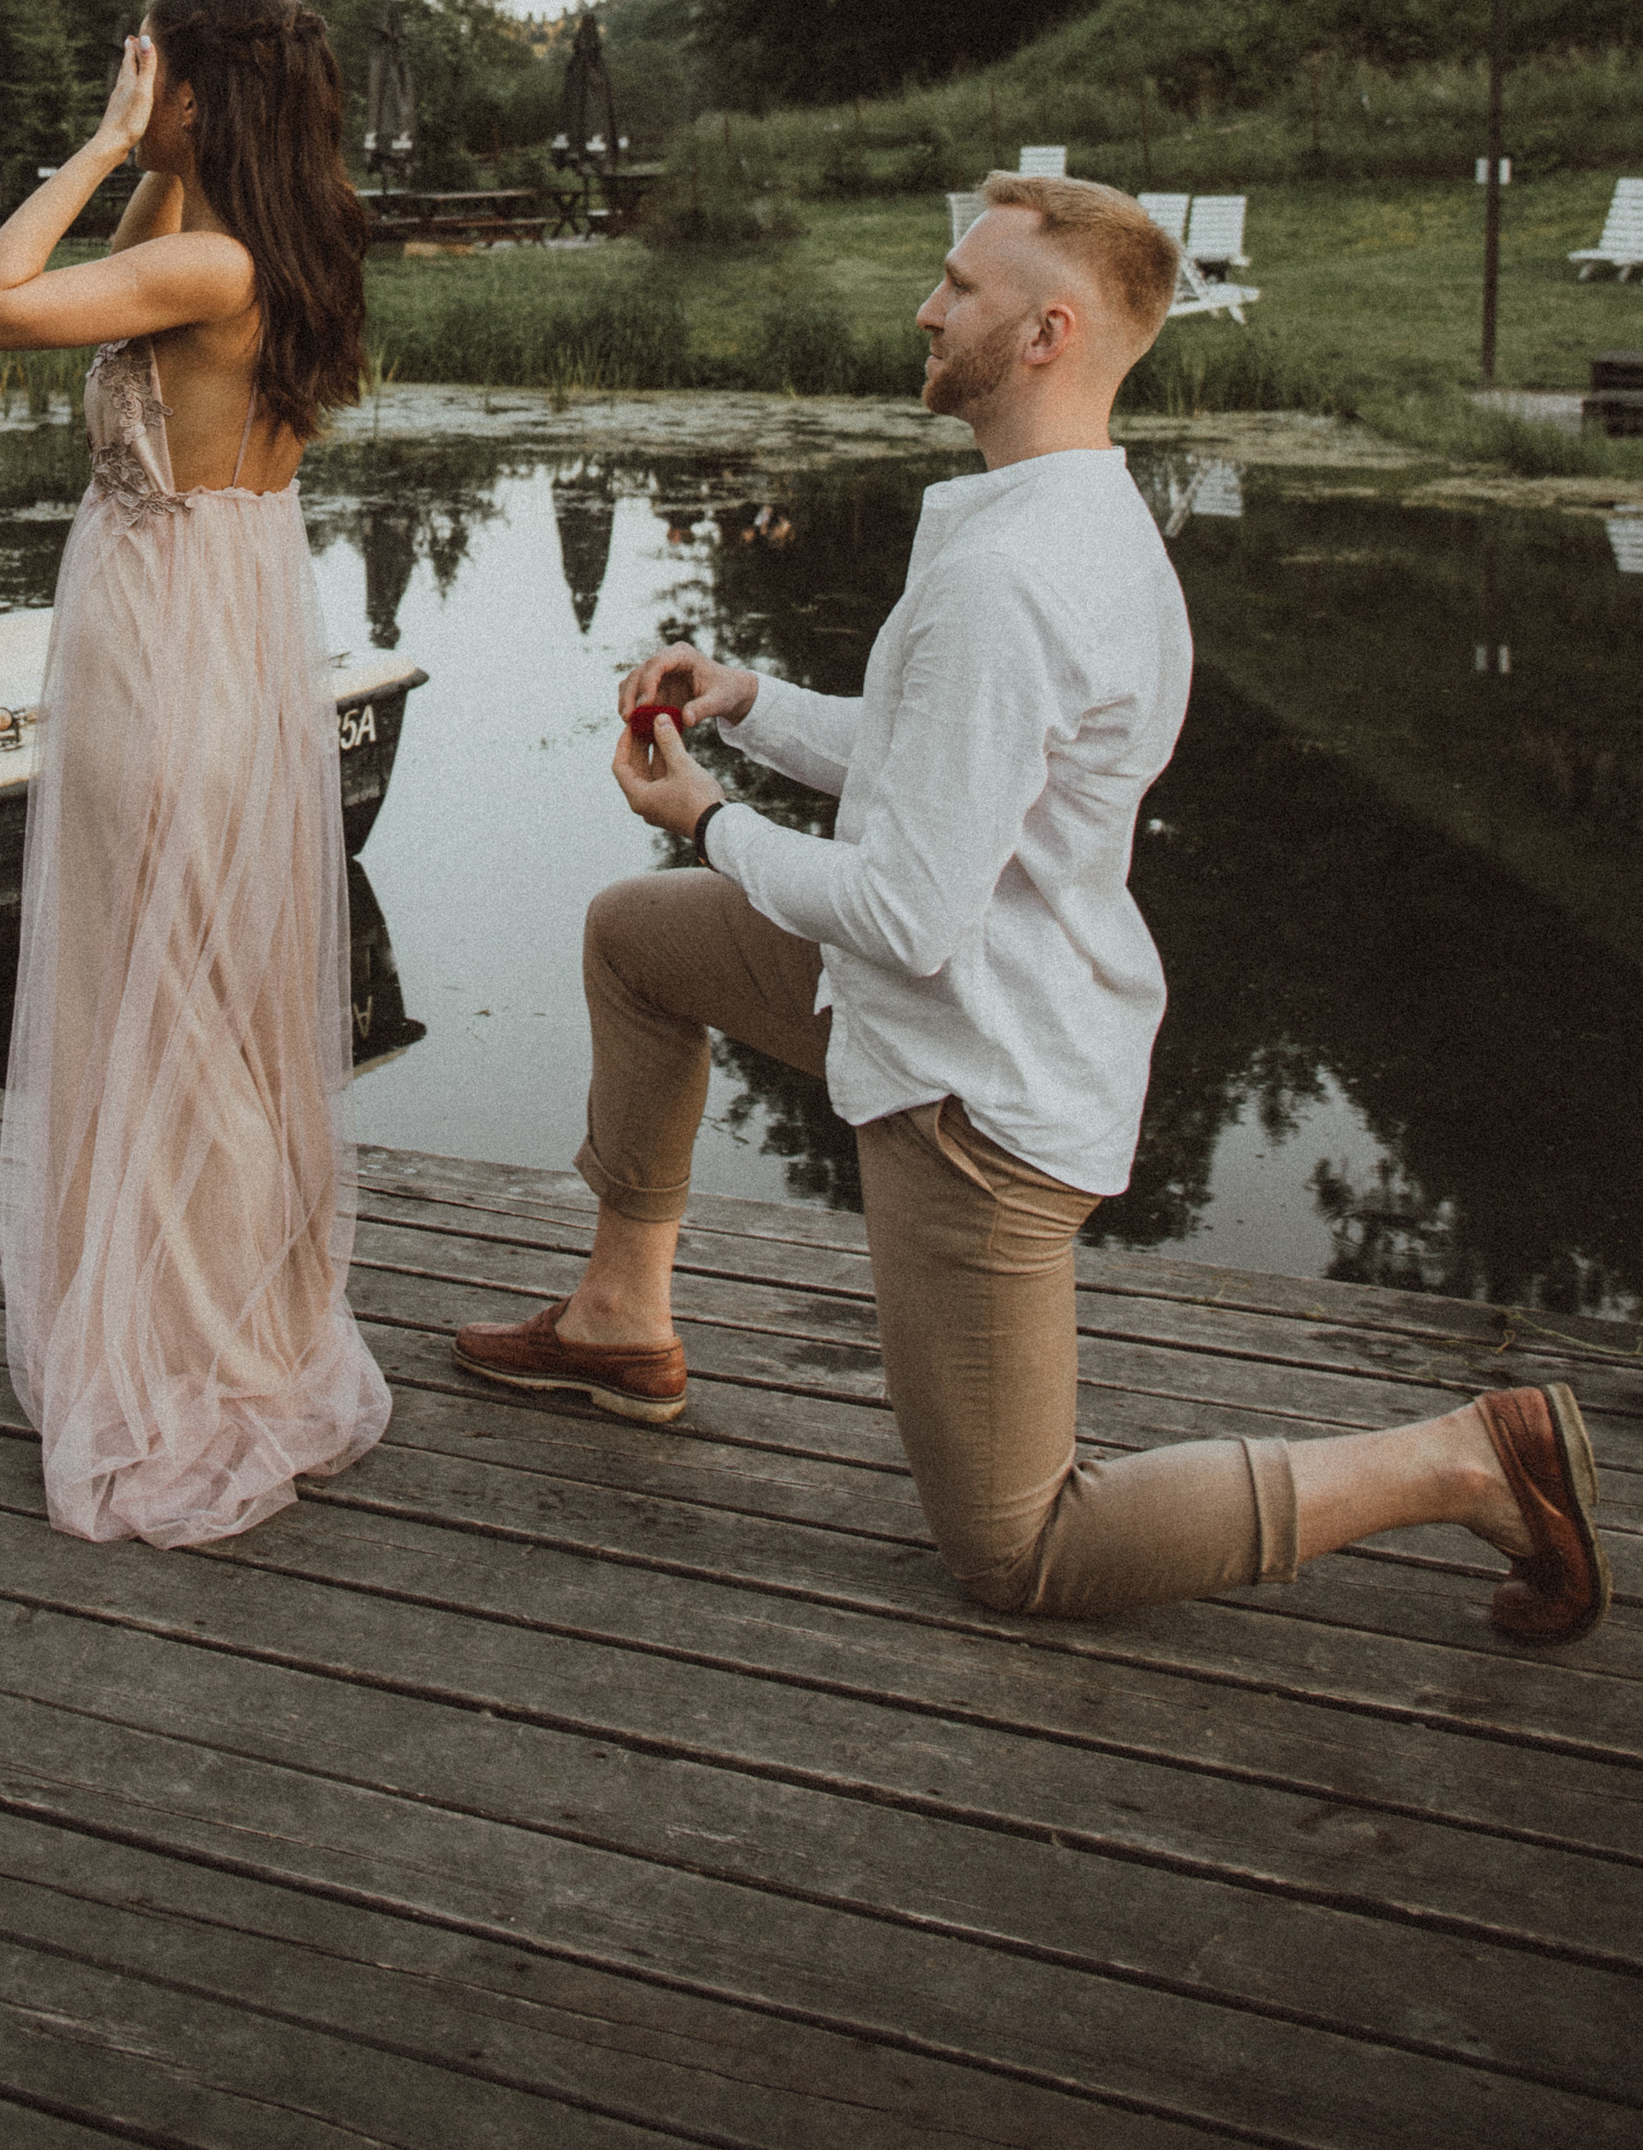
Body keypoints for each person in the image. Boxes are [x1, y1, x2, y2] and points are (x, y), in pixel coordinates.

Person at [455, 174, 1607, 1641]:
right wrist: (746, 705)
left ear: (1048, 332)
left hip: (970, 1079)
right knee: (637, 938)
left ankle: (1463, 1462)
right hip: (943, 988)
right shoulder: (1065, 519)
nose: (926, 309)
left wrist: (710, 819)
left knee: (1024, 1552)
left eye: (960, 289)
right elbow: (943, 761)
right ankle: (619, 1322)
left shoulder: (1012, 579)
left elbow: (908, 913)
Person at [0, 0, 390, 1547]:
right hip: (235, 613)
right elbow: (139, 235)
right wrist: (162, 138)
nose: (125, 81)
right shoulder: (268, 238)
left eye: (147, 66)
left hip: (160, 641)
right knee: (197, 984)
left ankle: (181, 1345)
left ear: (192, 94)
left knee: (159, 985)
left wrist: (98, 137)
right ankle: (220, 1320)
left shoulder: (202, 263)